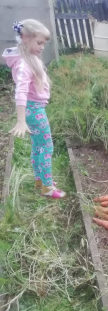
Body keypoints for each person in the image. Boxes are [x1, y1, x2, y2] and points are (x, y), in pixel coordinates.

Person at [2, 19, 66, 198]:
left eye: (44, 43)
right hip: (34, 110)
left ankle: (40, 179)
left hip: (34, 109)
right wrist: (21, 120)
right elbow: (20, 91)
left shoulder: (29, 60)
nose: (42, 47)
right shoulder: (25, 64)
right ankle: (47, 188)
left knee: (38, 145)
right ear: (25, 38)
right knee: (47, 147)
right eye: (39, 43)